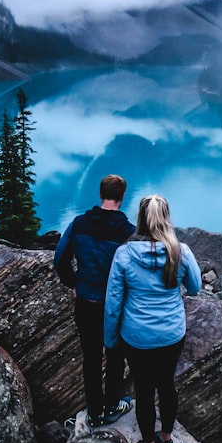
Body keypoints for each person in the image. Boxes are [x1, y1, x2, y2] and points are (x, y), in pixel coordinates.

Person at [104, 194, 201, 443]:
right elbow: (194, 287)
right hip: (171, 335)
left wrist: (110, 339)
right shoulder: (180, 252)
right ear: (166, 219)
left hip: (136, 337)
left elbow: (113, 303)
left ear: (140, 220)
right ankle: (167, 441)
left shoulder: (124, 254)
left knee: (144, 390)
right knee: (167, 384)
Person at [54, 174, 136, 427]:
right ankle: (112, 406)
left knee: (90, 357)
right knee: (115, 355)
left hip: (86, 301)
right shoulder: (128, 232)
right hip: (114, 305)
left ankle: (94, 412)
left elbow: (60, 258)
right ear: (122, 198)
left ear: (101, 195)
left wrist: (74, 282)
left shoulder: (79, 224)